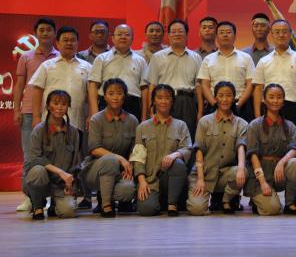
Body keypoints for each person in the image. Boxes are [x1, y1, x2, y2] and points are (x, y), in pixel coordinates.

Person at [13, 17, 58, 212]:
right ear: (36, 33)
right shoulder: (26, 57)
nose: (45, 33)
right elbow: (19, 86)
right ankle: (30, 197)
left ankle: (53, 197)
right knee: (29, 156)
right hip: (30, 112)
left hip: (54, 114)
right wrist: (17, 110)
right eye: (42, 30)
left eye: (49, 29)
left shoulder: (60, 57)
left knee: (54, 155)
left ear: (54, 33)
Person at [187, 81, 248, 215]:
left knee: (243, 170)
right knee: (196, 209)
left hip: (225, 174)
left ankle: (225, 200)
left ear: (234, 98)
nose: (225, 99)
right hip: (204, 173)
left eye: (228, 95)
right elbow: (199, 151)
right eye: (221, 95)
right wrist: (200, 179)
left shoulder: (242, 124)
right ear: (215, 98)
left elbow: (241, 147)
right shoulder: (204, 122)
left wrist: (241, 169)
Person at [131, 84, 192, 216]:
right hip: (151, 180)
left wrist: (175, 155)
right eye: (159, 98)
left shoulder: (181, 125)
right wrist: (142, 181)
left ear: (172, 101)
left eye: (167, 98)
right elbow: (138, 157)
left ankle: (172, 204)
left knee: (178, 163)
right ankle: (159, 201)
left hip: (171, 178)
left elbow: (187, 148)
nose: (163, 101)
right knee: (147, 210)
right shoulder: (142, 127)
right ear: (153, 100)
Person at [244, 83, 296, 215]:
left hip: (279, 173)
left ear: (283, 101)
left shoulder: (290, 126)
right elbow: (253, 155)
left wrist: (282, 162)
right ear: (264, 100)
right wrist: (262, 182)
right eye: (271, 97)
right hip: (260, 175)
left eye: (279, 97)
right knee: (272, 209)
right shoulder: (254, 125)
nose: (275, 101)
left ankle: (290, 202)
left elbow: (294, 149)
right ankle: (257, 198)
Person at [81, 78, 138, 217]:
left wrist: (130, 166)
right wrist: (119, 158)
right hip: (95, 169)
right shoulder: (96, 119)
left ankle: (110, 196)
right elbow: (94, 149)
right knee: (110, 160)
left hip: (120, 170)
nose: (115, 97)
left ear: (124, 96)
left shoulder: (132, 120)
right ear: (105, 96)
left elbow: (135, 150)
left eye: (119, 93)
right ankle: (106, 205)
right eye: (111, 93)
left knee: (128, 191)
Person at [24, 90, 81, 220]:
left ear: (68, 107)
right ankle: (37, 205)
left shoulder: (73, 132)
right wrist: (60, 172)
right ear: (48, 106)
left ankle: (55, 205)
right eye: (55, 103)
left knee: (68, 212)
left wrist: (70, 183)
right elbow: (35, 159)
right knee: (37, 171)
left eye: (64, 104)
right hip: (42, 180)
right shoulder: (39, 130)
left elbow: (75, 162)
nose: (60, 107)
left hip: (61, 183)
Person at [143, 19, 202, 137]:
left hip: (187, 102)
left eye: (180, 31)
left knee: (186, 137)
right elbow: (152, 85)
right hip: (163, 102)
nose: (177, 34)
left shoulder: (196, 57)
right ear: (168, 35)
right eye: (173, 32)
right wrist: (151, 108)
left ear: (187, 34)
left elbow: (198, 87)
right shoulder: (157, 57)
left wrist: (200, 111)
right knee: (163, 136)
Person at [29, 26, 91, 133]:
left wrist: (91, 114)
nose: (69, 43)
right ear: (57, 43)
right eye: (65, 40)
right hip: (50, 122)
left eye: (72, 40)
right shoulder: (46, 66)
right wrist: (36, 117)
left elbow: (91, 94)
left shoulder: (87, 67)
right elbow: (37, 91)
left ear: (77, 43)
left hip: (77, 122)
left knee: (77, 144)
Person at [253, 19, 296, 126]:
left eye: (285, 31)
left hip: (293, 108)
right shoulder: (263, 61)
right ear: (271, 34)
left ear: (290, 34)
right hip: (269, 109)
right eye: (277, 32)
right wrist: (258, 117)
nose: (281, 35)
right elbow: (258, 89)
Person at [197, 21, 257, 121]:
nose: (225, 35)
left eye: (228, 32)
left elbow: (250, 84)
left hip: (241, 106)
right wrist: (214, 104)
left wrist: (238, 104)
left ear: (235, 36)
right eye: (221, 32)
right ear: (216, 36)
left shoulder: (246, 58)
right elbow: (204, 85)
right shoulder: (208, 59)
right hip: (215, 106)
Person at [87, 24, 147, 122]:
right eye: (119, 34)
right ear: (113, 38)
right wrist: (94, 113)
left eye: (127, 34)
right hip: (106, 104)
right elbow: (93, 85)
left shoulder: (141, 60)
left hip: (132, 105)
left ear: (132, 39)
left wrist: (144, 116)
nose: (123, 37)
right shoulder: (101, 58)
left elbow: (144, 89)